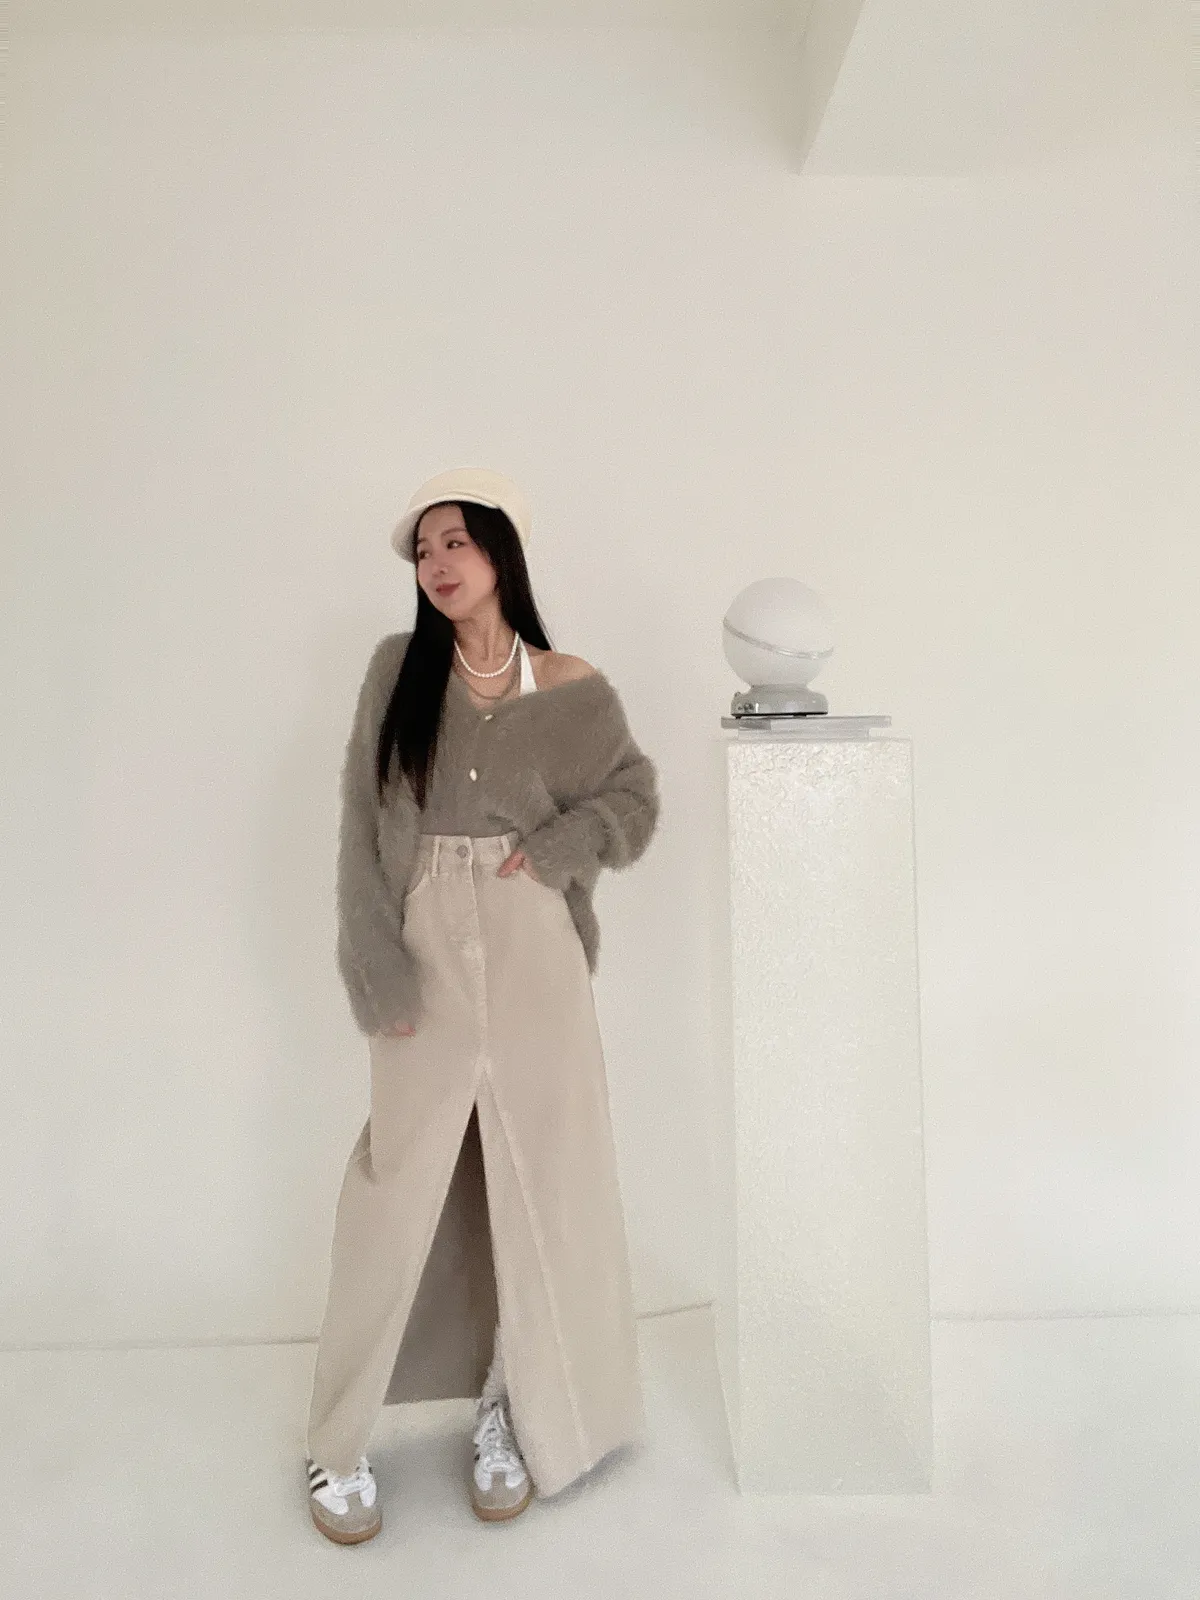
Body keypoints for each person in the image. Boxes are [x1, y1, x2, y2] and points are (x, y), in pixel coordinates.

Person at [304, 467, 661, 1544]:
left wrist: (558, 847)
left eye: (455, 541)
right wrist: (376, 966)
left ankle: (514, 1411)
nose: (437, 563)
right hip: (426, 936)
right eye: (423, 551)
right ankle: (335, 1443)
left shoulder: (570, 684)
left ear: (500, 550)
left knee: (548, 1175)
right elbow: (361, 823)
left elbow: (634, 798)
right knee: (398, 1182)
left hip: (534, 942)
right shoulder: (398, 672)